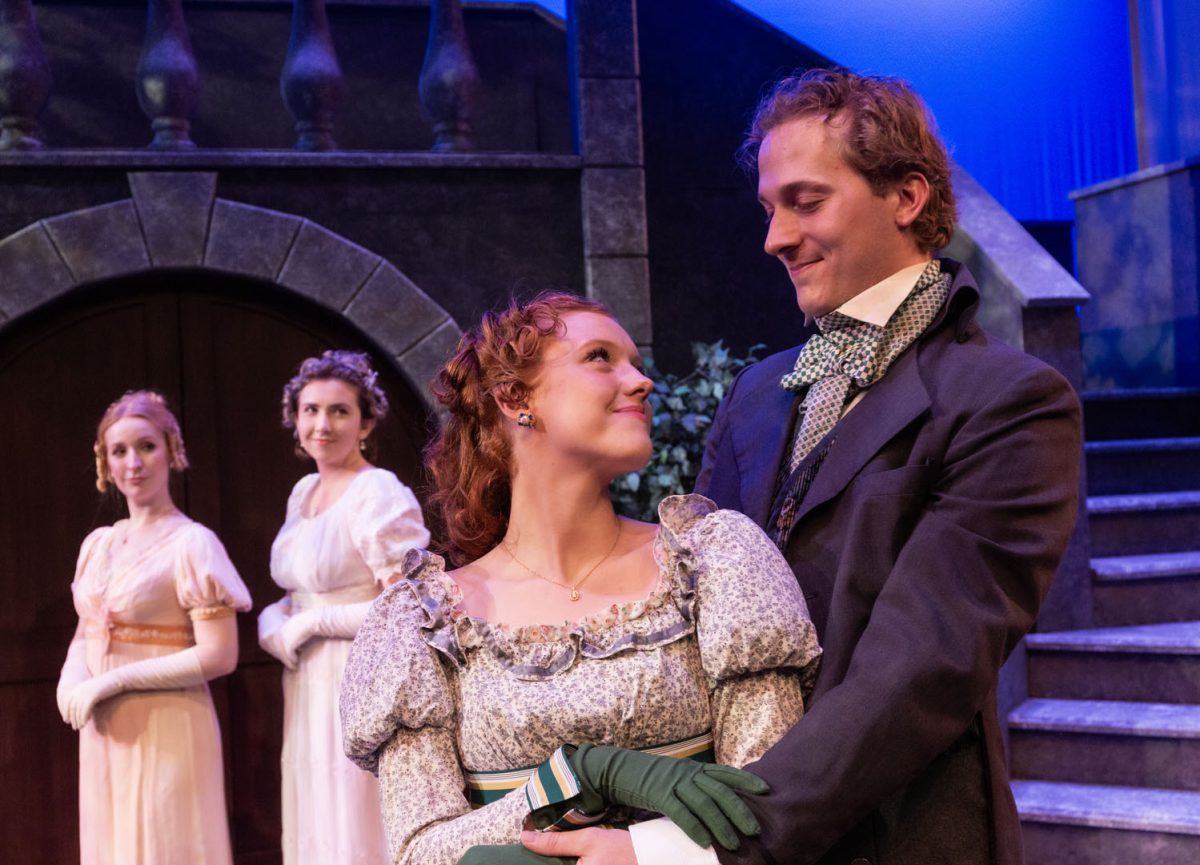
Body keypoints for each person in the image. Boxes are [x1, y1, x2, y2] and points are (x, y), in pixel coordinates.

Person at [338, 293, 822, 865]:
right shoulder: (423, 623)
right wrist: (579, 777)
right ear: (516, 398)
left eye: (637, 364)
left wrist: (639, 850)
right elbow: (423, 852)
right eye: (600, 357)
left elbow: (762, 805)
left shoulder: (714, 563)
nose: (641, 382)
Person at [56, 390, 251, 865]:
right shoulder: (99, 544)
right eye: (119, 451)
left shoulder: (192, 544)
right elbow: (87, 630)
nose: (133, 463)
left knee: (164, 844)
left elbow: (220, 654)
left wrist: (114, 679)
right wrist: (72, 676)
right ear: (105, 462)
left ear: (171, 450)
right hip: (106, 730)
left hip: (167, 724)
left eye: (146, 446)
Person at [257, 350, 431, 865]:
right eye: (310, 410)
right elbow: (300, 586)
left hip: (355, 673)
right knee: (314, 807)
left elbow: (406, 605)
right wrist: (277, 617)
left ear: (366, 422)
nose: (322, 425)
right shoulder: (304, 491)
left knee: (351, 810)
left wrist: (315, 622)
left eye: (338, 411)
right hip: (306, 678)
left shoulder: (376, 491)